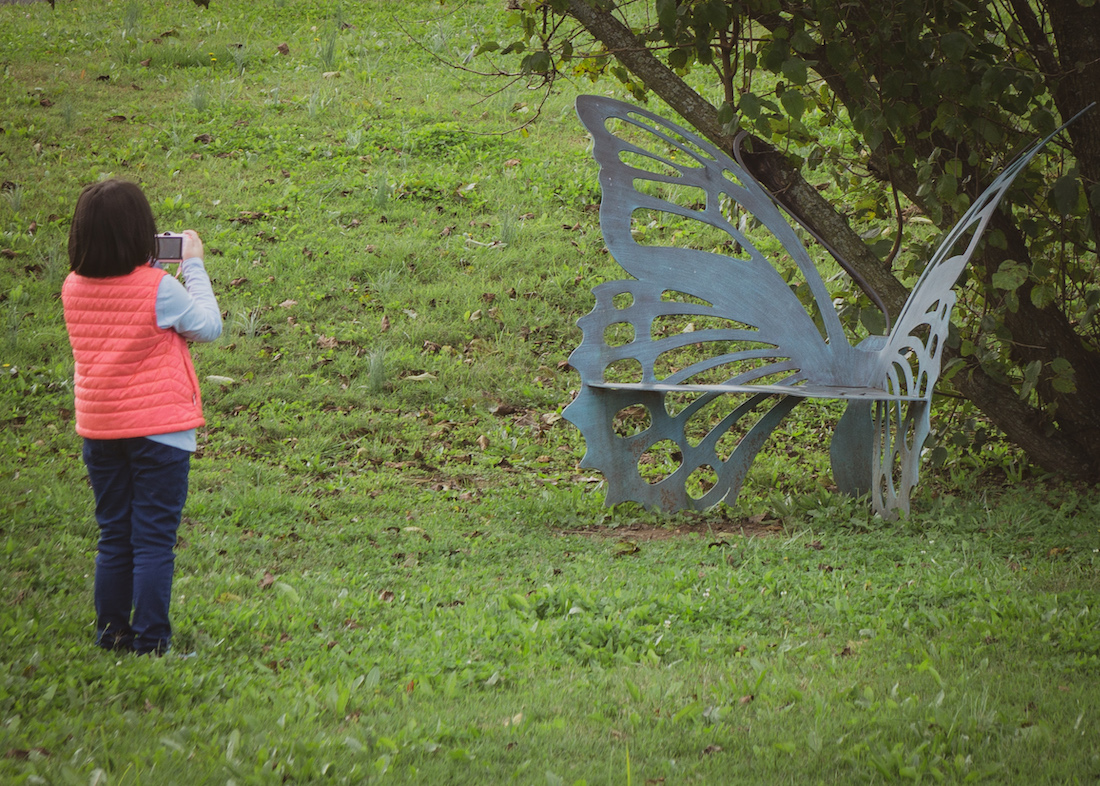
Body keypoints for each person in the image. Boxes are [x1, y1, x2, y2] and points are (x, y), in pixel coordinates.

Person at [61, 179, 221, 655]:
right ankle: (152, 641)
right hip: (160, 433)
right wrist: (193, 266)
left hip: (102, 429)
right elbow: (208, 326)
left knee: (114, 534)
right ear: (139, 231)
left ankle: (112, 633)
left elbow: (120, 301)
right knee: (153, 539)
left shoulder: (73, 287)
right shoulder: (159, 289)